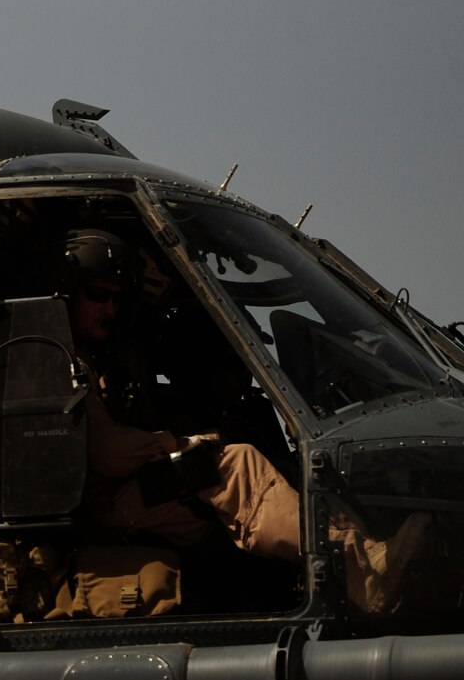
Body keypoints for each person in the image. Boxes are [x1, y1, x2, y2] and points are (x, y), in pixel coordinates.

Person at [61, 227, 426, 612]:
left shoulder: (112, 357)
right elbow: (104, 452)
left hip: (135, 490)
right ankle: (363, 576)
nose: (110, 309)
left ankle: (372, 555)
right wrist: (179, 445)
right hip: (103, 506)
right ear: (68, 293)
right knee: (236, 466)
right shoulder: (63, 361)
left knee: (284, 469)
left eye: (116, 299)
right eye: (98, 296)